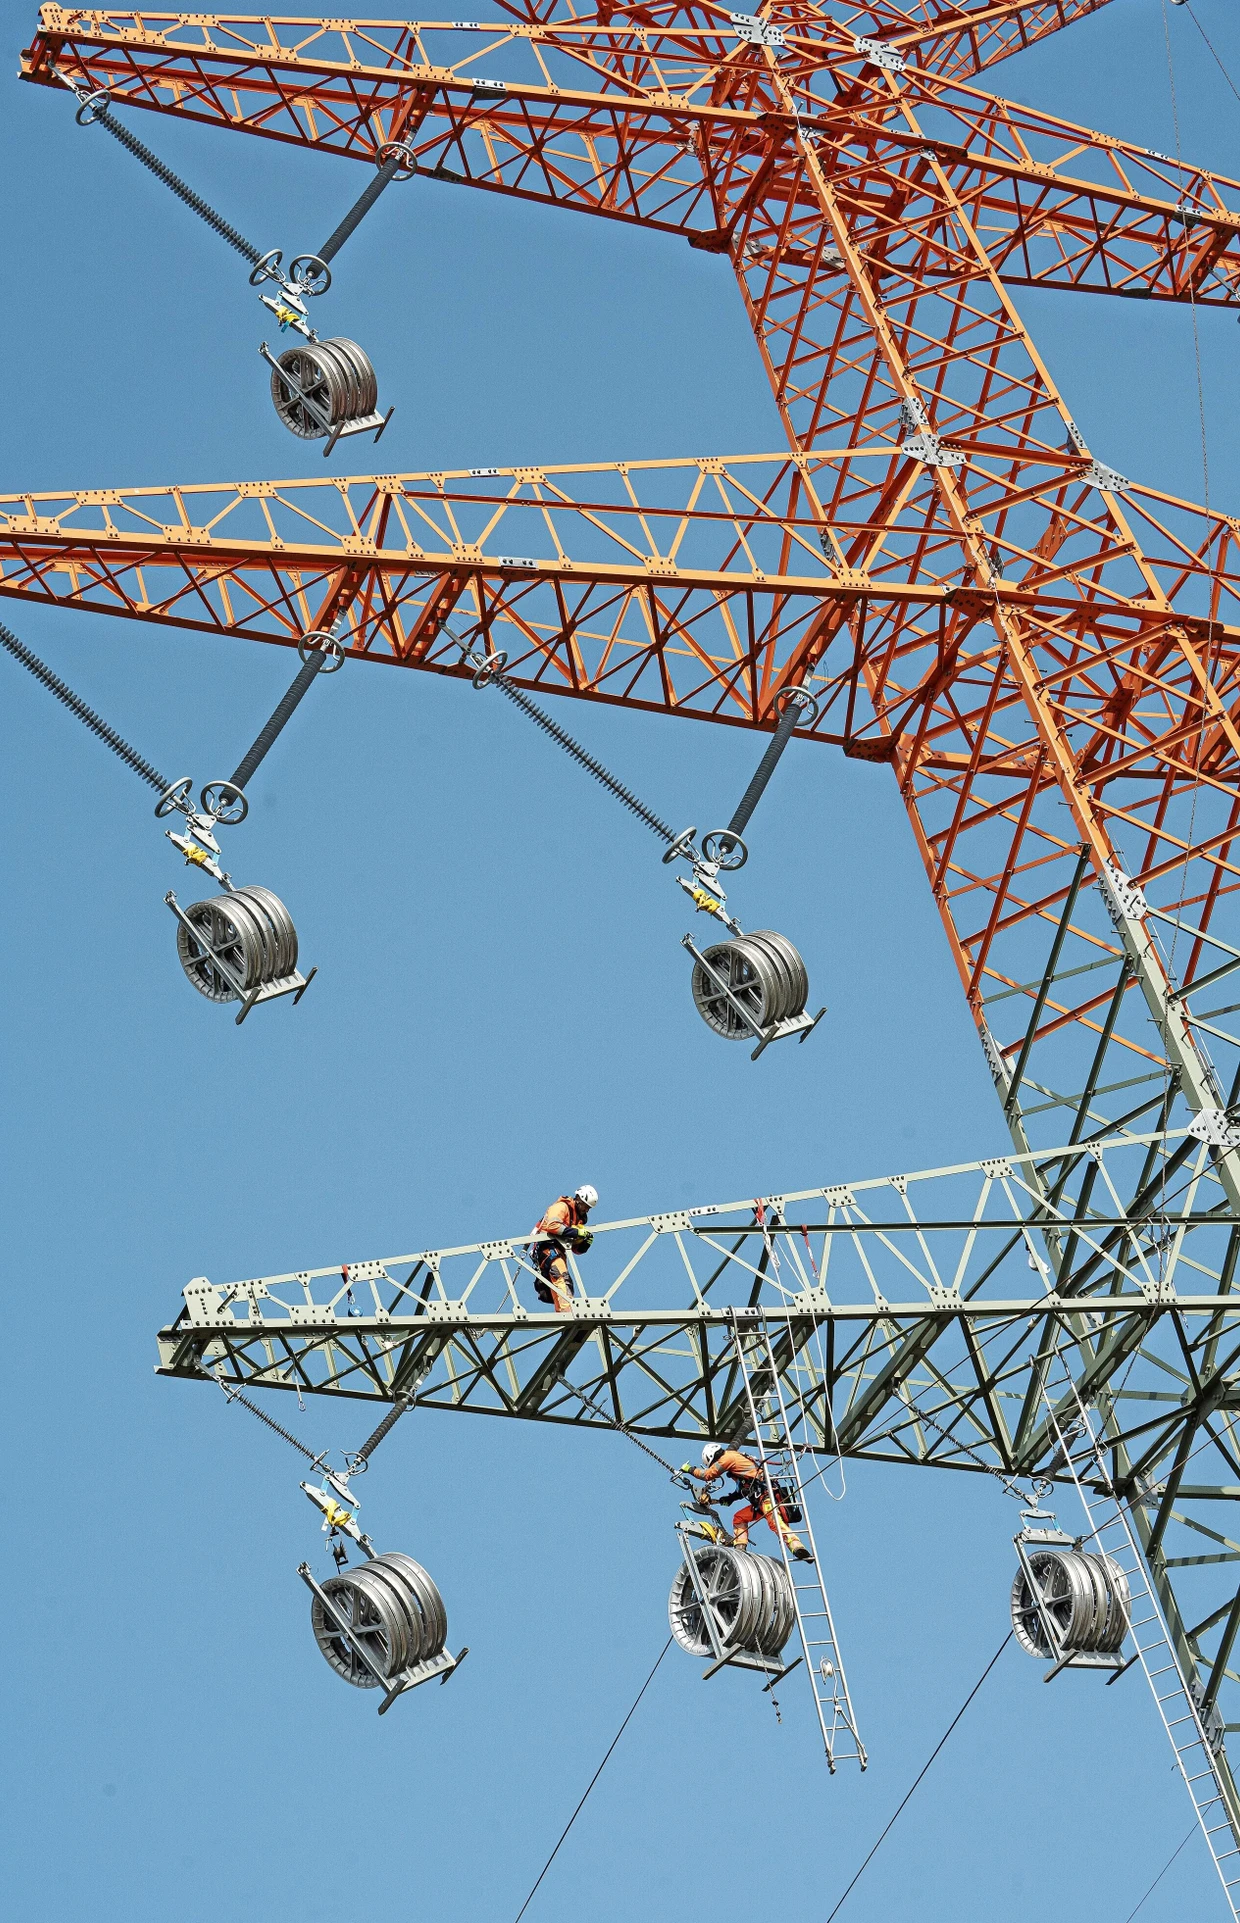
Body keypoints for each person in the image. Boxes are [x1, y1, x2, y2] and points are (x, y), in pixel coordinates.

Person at [684, 1441, 813, 1560]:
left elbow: (707, 1475)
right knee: (739, 1518)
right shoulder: (735, 1465)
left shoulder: (727, 1458)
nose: (716, 1467)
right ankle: (740, 1548)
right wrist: (727, 1499)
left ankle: (797, 1547)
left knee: (775, 1522)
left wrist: (689, 1469)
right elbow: (742, 1491)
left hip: (766, 1497)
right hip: (759, 1502)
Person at [530, 1184, 598, 1313]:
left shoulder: (578, 1219)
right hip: (547, 1248)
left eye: (588, 1208)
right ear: (578, 1199)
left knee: (561, 1283)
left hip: (558, 1252)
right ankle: (568, 1315)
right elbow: (552, 1225)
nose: (586, 1210)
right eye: (585, 1206)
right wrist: (576, 1233)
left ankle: (564, 1315)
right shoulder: (562, 1207)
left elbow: (575, 1249)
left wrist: (584, 1244)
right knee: (561, 1278)